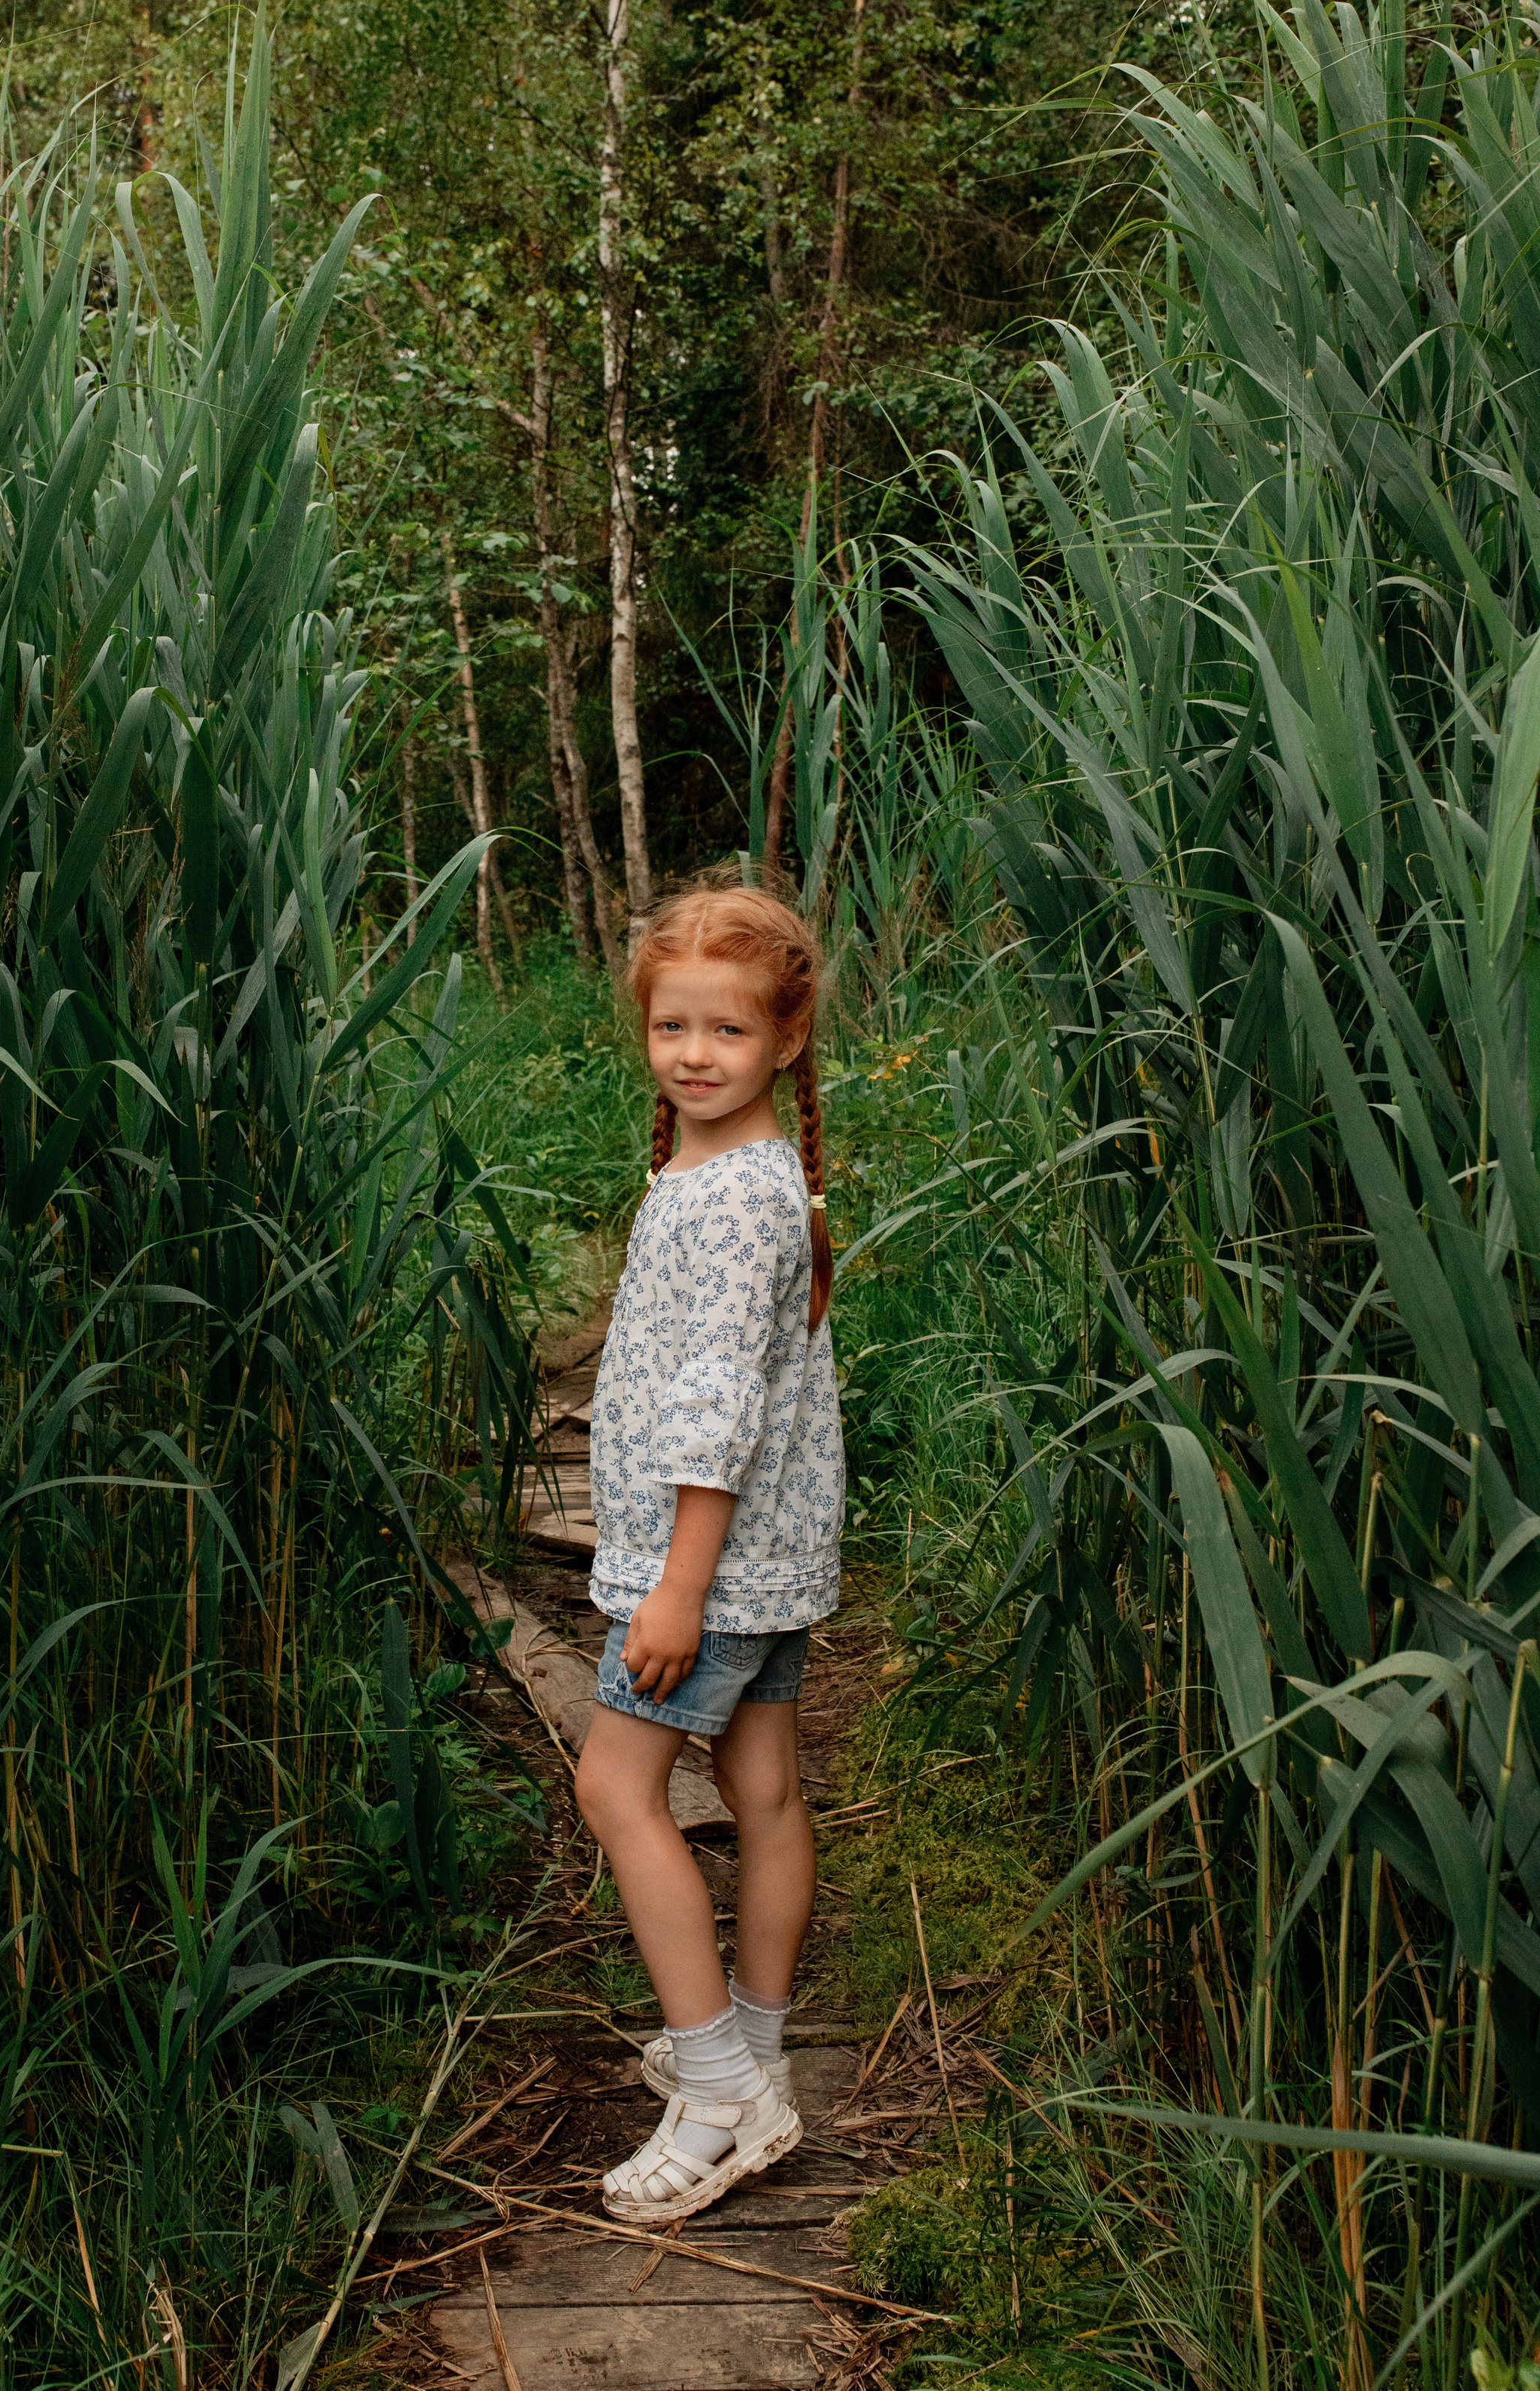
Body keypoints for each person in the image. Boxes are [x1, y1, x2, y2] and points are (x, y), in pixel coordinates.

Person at [573, 885, 844, 2224]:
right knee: (763, 1785)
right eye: (672, 1024)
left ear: (785, 1041)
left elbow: (719, 1398)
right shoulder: (724, 1170)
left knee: (617, 1791)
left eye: (727, 1030)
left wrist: (677, 1583)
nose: (693, 1052)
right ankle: (755, 2051)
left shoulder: (737, 1199)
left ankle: (723, 2091)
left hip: (711, 1563)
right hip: (770, 1555)